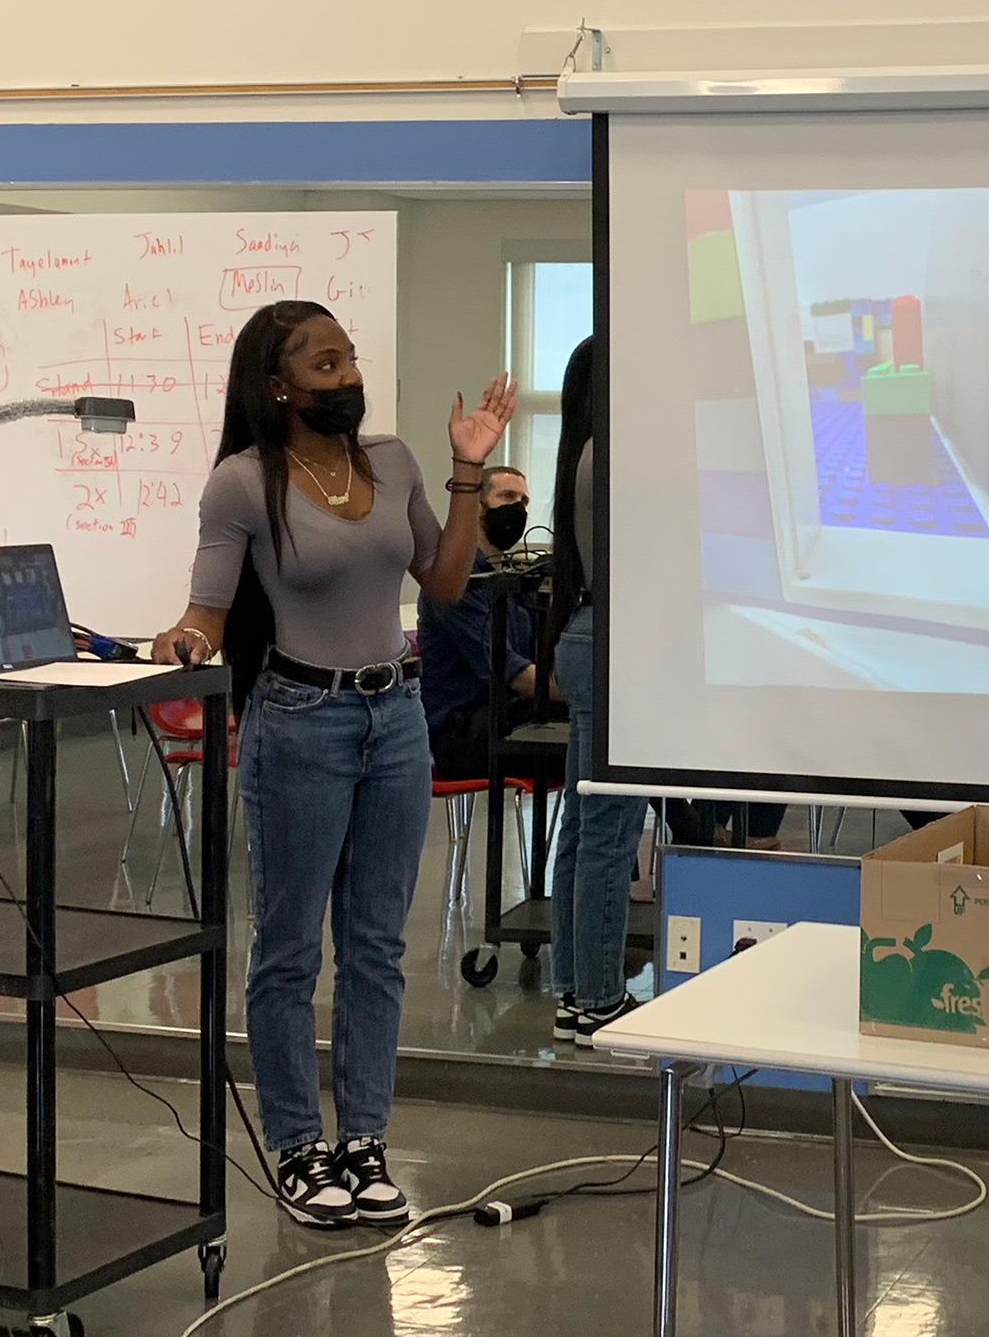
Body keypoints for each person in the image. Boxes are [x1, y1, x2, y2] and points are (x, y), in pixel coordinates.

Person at [156, 300, 514, 1228]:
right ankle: (298, 1146)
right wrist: (185, 640)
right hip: (299, 720)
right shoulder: (243, 482)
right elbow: (210, 609)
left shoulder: (392, 462)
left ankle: (363, 1140)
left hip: (396, 715)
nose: (347, 375)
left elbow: (442, 582)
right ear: (278, 385)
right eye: (325, 364)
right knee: (286, 952)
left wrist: (468, 468)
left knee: (375, 949)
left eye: (349, 359)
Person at [542, 337, 651, 1047]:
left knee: (582, 833)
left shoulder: (580, 453)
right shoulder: (623, 455)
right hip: (622, 643)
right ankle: (603, 998)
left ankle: (577, 994)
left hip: (585, 633)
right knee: (609, 836)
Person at [419, 466, 539, 781]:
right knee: (601, 728)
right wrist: (589, 692)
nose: (517, 508)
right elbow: (511, 673)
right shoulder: (456, 578)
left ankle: (683, 827)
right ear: (477, 506)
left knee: (605, 731)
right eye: (507, 496)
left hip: (509, 717)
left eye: (523, 502)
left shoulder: (516, 580)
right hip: (461, 734)